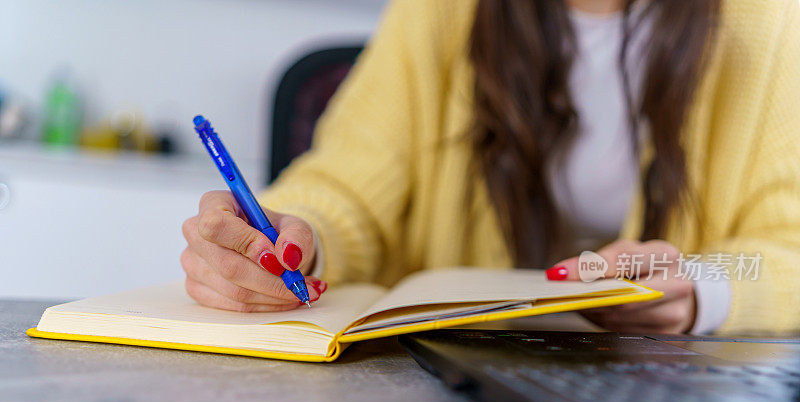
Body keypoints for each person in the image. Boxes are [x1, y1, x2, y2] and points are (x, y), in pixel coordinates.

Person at [180, 0, 800, 335]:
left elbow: (788, 244)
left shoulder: (770, 20)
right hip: (451, 381)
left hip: (671, 385)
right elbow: (346, 185)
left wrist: (705, 291)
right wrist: (292, 239)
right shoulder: (440, 12)